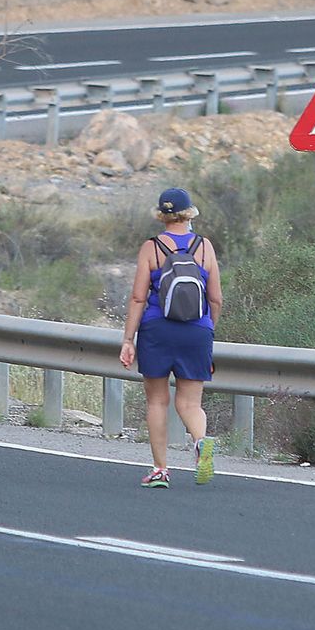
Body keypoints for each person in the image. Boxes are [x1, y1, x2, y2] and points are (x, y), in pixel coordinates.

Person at [119, 188, 223, 488]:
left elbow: (139, 298)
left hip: (157, 330)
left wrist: (129, 339)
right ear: (190, 213)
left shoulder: (151, 248)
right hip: (197, 330)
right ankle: (201, 442)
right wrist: (207, 330)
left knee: (156, 401)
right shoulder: (205, 247)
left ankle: (160, 470)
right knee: (190, 404)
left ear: (161, 216)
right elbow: (216, 298)